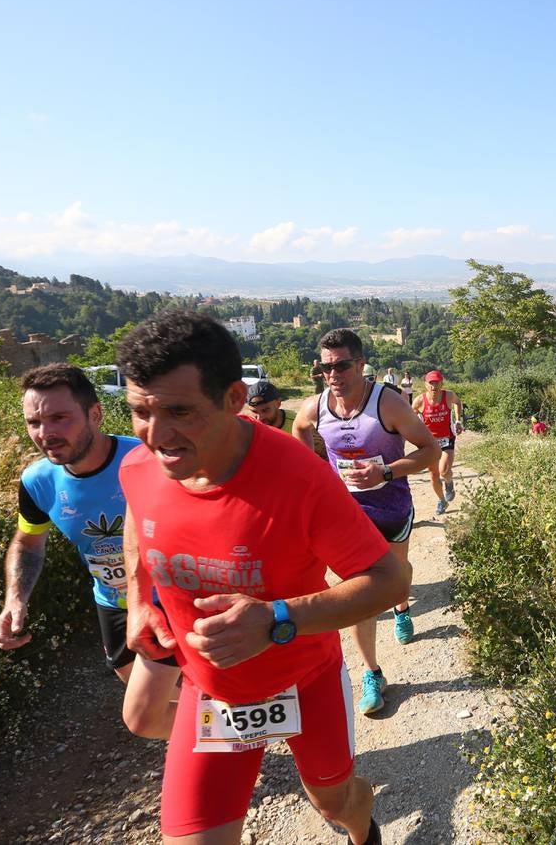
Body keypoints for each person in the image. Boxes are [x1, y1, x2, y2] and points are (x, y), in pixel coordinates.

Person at [117, 311, 409, 845]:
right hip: (213, 692)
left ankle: (364, 823)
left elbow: (391, 580)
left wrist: (277, 618)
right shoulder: (141, 466)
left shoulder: (297, 477)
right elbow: (138, 517)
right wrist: (138, 599)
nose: (157, 436)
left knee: (334, 803)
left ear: (233, 398)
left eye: (179, 411)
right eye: (140, 412)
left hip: (305, 679)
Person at [0, 363, 177, 739]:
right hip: (111, 602)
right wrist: (14, 600)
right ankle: (229, 732)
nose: (46, 433)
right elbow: (28, 542)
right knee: (161, 693)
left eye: (60, 417)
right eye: (34, 422)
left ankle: (221, 746)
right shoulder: (37, 481)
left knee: (142, 714)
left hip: (169, 600)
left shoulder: (146, 459)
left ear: (95, 413)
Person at [293, 329, 440, 716]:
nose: (332, 375)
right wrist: (317, 474)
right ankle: (372, 673)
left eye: (340, 366)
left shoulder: (387, 404)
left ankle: (402, 605)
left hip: (391, 508)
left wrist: (386, 473)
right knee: (359, 594)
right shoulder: (316, 407)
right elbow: (300, 431)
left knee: (397, 576)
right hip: (347, 516)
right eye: (324, 368)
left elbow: (429, 449)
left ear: (360, 365)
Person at [413, 369, 463, 516]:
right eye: (431, 383)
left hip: (447, 438)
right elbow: (410, 417)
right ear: (426, 385)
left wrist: (458, 420)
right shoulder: (419, 401)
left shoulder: (449, 396)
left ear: (442, 383)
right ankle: (442, 500)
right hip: (429, 443)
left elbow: (458, 403)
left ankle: (449, 483)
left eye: (437, 383)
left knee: (444, 471)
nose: (434, 386)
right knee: (434, 474)